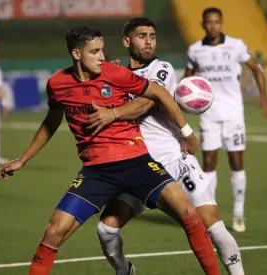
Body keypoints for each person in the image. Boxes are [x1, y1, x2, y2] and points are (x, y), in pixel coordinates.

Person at [0, 25, 220, 275]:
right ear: (77, 54)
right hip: (96, 173)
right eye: (95, 51)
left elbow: (157, 92)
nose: (102, 56)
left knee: (189, 214)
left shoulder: (114, 73)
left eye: (102, 50)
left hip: (138, 163)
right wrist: (22, 159)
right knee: (53, 232)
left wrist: (187, 132)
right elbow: (51, 121)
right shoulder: (57, 84)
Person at [87, 17, 245, 275]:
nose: (148, 42)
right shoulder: (117, 76)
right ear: (127, 41)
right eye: (141, 36)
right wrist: (109, 81)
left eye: (152, 36)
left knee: (213, 226)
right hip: (139, 165)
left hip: (175, 160)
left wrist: (113, 111)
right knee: (106, 229)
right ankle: (124, 269)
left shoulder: (162, 68)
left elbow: (144, 103)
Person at [185, 7, 267, 232]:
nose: (213, 26)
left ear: (221, 23)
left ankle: (238, 214)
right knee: (209, 164)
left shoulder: (236, 46)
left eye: (217, 22)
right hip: (208, 116)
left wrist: (263, 97)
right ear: (202, 24)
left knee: (236, 162)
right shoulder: (194, 50)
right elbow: (187, 80)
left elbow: (256, 68)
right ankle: (209, 215)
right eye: (209, 22)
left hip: (233, 114)